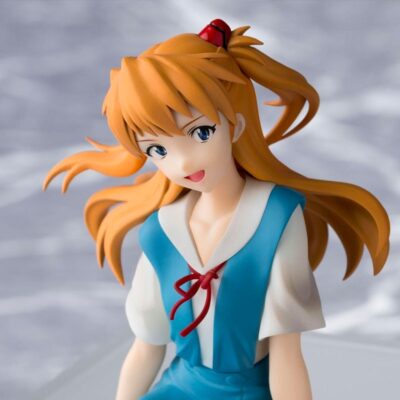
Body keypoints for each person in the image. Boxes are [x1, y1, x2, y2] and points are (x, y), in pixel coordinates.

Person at [42, 19, 390, 400]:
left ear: (235, 125)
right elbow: (146, 349)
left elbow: (287, 355)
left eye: (200, 132)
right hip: (180, 386)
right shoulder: (161, 231)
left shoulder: (276, 217)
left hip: (247, 390)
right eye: (158, 149)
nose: (182, 162)